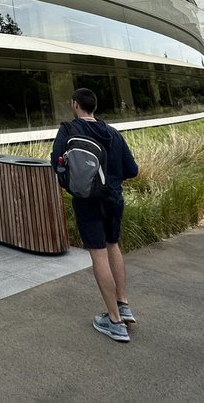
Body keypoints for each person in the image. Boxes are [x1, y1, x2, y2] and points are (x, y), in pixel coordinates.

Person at [52, 87, 139, 343]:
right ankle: (123, 305)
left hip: (87, 201)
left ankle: (114, 322)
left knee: (98, 254)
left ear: (75, 104)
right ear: (95, 107)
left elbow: (56, 163)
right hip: (114, 199)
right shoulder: (112, 132)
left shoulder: (69, 130)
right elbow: (131, 169)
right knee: (114, 246)